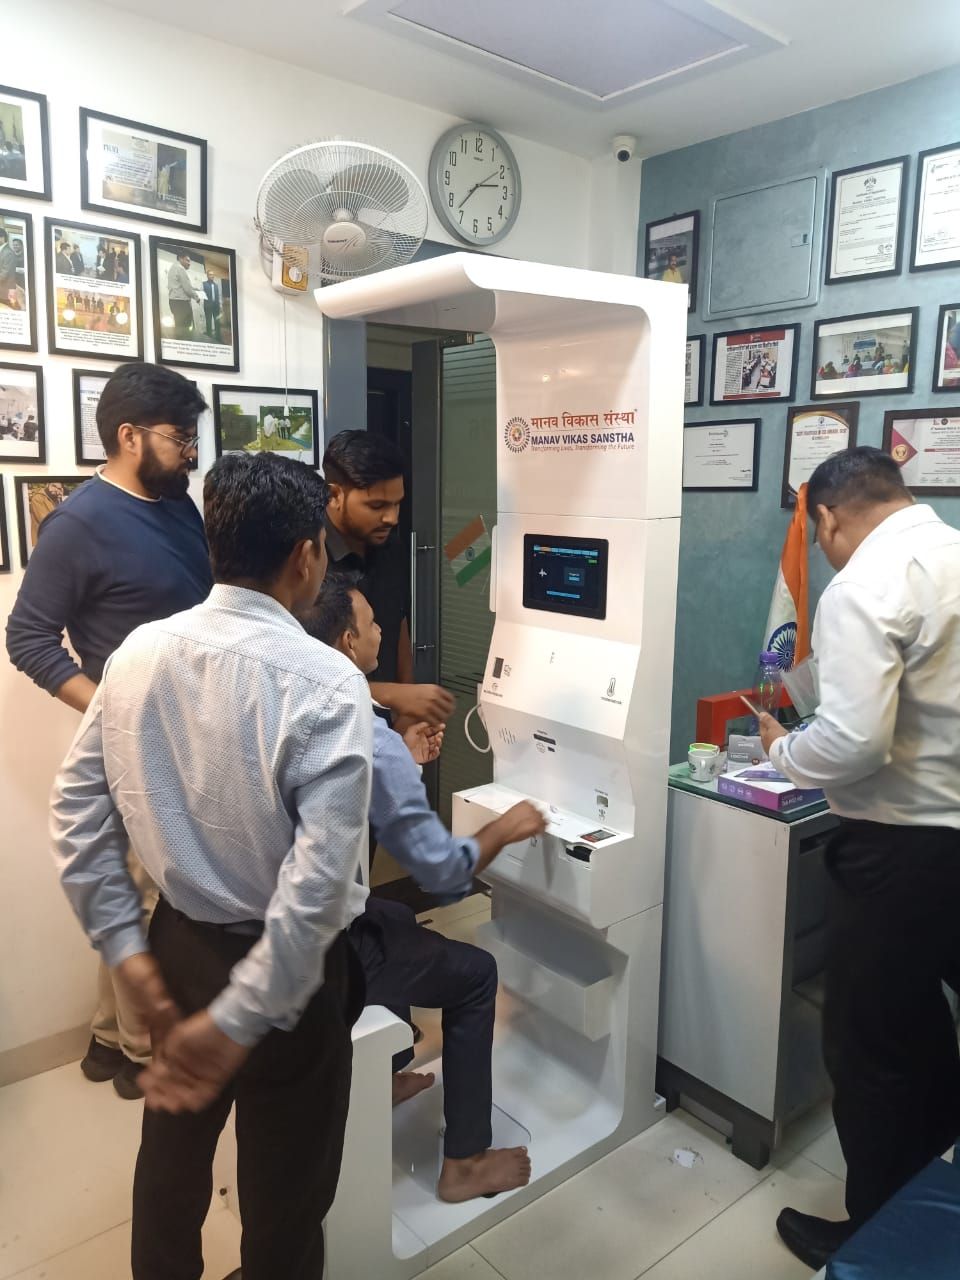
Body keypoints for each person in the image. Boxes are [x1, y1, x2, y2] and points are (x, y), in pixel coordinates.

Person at [50, 452, 370, 1280]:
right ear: (306, 556)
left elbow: (77, 814)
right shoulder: (328, 681)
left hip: (179, 948)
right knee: (285, 1193)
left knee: (171, 1161)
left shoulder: (138, 653)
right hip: (289, 976)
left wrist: (130, 957)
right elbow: (317, 887)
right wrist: (240, 1018)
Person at [757, 447, 960, 1270]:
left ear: (828, 516)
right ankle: (932, 1189)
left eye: (819, 534)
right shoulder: (950, 551)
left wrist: (782, 751)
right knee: (925, 1024)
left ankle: (878, 1234)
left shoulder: (862, 586)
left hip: (899, 849)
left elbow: (852, 743)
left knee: (871, 1047)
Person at [6, 363, 212, 1099]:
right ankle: (140, 1054)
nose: (191, 452)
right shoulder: (79, 523)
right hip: (136, 747)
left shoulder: (177, 506)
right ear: (129, 436)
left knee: (138, 893)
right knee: (151, 904)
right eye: (180, 437)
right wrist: (110, 711)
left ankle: (104, 1040)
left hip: (189, 734)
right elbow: (28, 638)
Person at [303, 578, 542, 1200]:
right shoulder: (366, 726)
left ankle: (385, 1074)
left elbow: (339, 785)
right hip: (329, 951)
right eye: (373, 622)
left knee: (395, 916)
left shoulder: (295, 695)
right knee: (477, 975)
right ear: (348, 641)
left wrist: (401, 758)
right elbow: (443, 873)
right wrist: (506, 827)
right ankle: (465, 1163)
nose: (384, 631)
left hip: (286, 926)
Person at [323, 430, 455, 726]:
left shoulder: (391, 547)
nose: (392, 518)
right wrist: (396, 696)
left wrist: (407, 713)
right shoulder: (310, 560)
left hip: (387, 729)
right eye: (377, 506)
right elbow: (305, 676)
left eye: (397, 504)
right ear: (335, 495)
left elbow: (398, 623)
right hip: (335, 728)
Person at [166, 250, 200, 339]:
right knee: (186, 330)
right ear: (180, 259)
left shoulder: (173, 267)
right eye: (187, 260)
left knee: (179, 328)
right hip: (182, 304)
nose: (189, 263)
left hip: (174, 302)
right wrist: (197, 297)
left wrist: (194, 289)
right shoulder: (180, 269)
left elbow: (181, 286)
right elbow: (187, 289)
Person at [202, 268, 222, 342]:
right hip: (208, 306)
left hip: (216, 306)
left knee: (217, 321)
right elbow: (201, 293)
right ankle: (209, 337)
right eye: (210, 274)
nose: (212, 276)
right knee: (208, 321)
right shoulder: (203, 284)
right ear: (207, 275)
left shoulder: (216, 285)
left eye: (213, 275)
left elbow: (219, 295)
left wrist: (220, 305)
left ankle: (218, 337)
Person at [0, 226, 17, 305]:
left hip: (4, 291)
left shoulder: (8, 252)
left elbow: (5, 273)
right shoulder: (2, 250)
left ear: (2, 238)